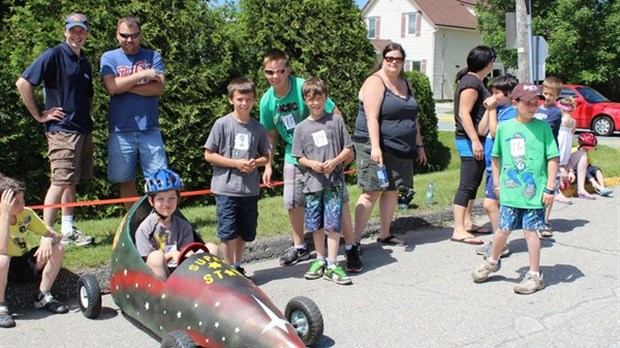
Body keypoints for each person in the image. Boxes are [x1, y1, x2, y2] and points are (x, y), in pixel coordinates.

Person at [259, 49, 361, 273]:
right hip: (295, 155)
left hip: (326, 154)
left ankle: (352, 246)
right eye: (269, 72)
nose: (275, 76)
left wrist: (345, 150)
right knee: (293, 201)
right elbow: (270, 134)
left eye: (280, 71)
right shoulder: (266, 101)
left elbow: (335, 112)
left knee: (339, 200)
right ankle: (300, 246)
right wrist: (267, 164)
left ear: (288, 70)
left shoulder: (304, 86)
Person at [15, 13, 95, 247]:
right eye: (73, 30)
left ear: (86, 34)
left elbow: (87, 96)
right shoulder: (54, 54)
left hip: (81, 129)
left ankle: (68, 230)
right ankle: (46, 239)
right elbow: (23, 83)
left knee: (71, 182)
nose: (77, 35)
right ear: (65, 32)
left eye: (81, 31)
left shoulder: (84, 61)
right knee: (59, 182)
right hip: (62, 130)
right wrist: (40, 115)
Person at [471, 82, 559, 294]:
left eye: (535, 102)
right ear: (515, 103)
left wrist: (549, 188)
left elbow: (553, 158)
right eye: (526, 103)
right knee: (503, 230)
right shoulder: (505, 128)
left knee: (531, 232)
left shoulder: (543, 128)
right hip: (510, 191)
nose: (532, 107)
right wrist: (497, 184)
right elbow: (496, 157)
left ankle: (535, 275)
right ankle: (493, 261)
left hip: (533, 192)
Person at [352, 43, 427, 248]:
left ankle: (385, 233)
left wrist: (419, 145)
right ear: (383, 59)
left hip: (399, 147)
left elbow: (413, 117)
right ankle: (354, 241)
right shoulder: (375, 82)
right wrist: (376, 147)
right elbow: (372, 118)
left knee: (392, 190)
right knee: (371, 191)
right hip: (373, 145)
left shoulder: (405, 83)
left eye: (398, 59)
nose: (394, 62)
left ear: (403, 61)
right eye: (389, 58)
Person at [204, 78, 270, 277]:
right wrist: (236, 164)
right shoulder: (222, 124)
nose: (244, 103)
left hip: (249, 190)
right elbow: (209, 154)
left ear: (254, 100)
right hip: (226, 189)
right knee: (227, 231)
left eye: (248, 99)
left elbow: (266, 156)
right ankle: (228, 269)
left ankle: (237, 265)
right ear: (231, 100)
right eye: (240, 99)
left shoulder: (258, 128)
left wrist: (255, 163)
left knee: (245, 231)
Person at [100, 15, 168, 210]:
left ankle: (160, 217)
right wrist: (142, 75)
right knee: (125, 180)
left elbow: (158, 89)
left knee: (159, 179)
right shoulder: (109, 57)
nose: (129, 40)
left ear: (140, 35)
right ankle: (134, 220)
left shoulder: (153, 56)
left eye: (134, 35)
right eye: (124, 35)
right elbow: (111, 88)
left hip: (150, 129)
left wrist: (123, 85)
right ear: (117, 35)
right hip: (120, 130)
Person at [292, 78, 354, 285]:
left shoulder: (336, 121)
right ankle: (319, 259)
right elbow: (298, 156)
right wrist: (311, 164)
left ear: (325, 98)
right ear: (305, 101)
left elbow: (347, 148)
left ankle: (333, 262)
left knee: (333, 223)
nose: (315, 103)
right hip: (312, 184)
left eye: (319, 98)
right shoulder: (301, 128)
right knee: (315, 224)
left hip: (334, 182)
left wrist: (334, 162)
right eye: (310, 99)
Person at [0, 175, 69, 329]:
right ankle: (1, 306)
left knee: (57, 247)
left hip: (23, 262)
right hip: (4, 267)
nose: (23, 204)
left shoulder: (26, 213)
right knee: (2, 259)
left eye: (23, 199)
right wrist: (4, 216)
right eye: (17, 202)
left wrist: (47, 240)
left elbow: (55, 234)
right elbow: (2, 249)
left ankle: (43, 296)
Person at [135, 169, 218, 281]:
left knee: (212, 247)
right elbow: (145, 261)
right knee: (156, 257)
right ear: (151, 201)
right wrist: (171, 255)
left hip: (180, 269)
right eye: (160, 199)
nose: (166, 204)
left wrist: (191, 257)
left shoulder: (183, 225)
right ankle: (164, 295)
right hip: (157, 274)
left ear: (178, 199)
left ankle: (207, 285)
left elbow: (187, 250)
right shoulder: (145, 228)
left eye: (171, 198)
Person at [450, 45, 496, 245]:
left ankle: (467, 222)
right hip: (468, 140)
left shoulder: (477, 81)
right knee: (467, 184)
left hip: (475, 139)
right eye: (492, 60)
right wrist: (476, 141)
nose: (493, 64)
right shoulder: (471, 82)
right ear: (486, 63)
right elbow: (463, 113)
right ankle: (458, 229)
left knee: (474, 183)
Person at [475, 74, 518, 258]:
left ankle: (500, 244)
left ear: (509, 94)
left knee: (490, 204)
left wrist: (492, 109)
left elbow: (495, 132)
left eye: (497, 93)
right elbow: (482, 130)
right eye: (492, 92)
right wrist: (489, 109)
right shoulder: (498, 108)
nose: (494, 96)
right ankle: (499, 241)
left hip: (502, 166)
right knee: (495, 205)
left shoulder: (511, 112)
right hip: (492, 165)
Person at [533, 76, 563, 238]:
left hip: (549, 154)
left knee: (548, 186)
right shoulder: (536, 108)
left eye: (552, 94)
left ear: (557, 96)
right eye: (545, 93)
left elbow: (544, 129)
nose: (548, 97)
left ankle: (544, 220)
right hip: (534, 153)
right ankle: (534, 217)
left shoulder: (555, 112)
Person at [567, 132, 613, 199]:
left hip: (587, 166)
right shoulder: (575, 151)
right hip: (577, 169)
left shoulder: (585, 153)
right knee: (587, 173)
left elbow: (588, 163)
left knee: (596, 169)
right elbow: (572, 163)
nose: (588, 150)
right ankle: (598, 187)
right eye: (586, 149)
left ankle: (602, 186)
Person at [554, 97, 577, 205]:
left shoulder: (561, 120)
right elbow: (572, 132)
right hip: (566, 147)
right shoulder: (573, 121)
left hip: (560, 143)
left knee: (557, 165)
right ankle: (562, 184)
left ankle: (557, 190)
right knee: (563, 164)